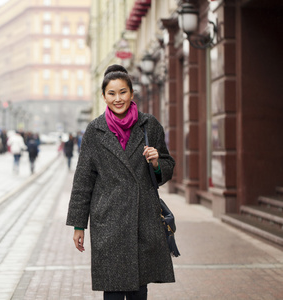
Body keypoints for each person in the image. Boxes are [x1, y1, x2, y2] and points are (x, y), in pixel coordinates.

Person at [66, 64, 175, 300]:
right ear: (104, 96)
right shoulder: (95, 131)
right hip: (108, 220)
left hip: (142, 217)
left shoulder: (149, 125)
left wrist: (157, 163)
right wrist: (78, 225)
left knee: (139, 288)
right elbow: (83, 180)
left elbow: (167, 166)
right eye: (112, 93)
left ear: (132, 93)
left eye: (123, 92)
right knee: (113, 290)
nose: (118, 99)